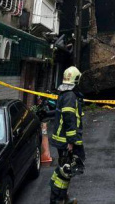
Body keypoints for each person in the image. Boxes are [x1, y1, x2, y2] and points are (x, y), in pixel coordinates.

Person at [48, 66, 86, 204]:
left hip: (63, 140)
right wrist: (71, 142)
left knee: (65, 170)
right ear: (76, 79)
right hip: (66, 141)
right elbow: (69, 119)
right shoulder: (70, 96)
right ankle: (57, 200)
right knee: (65, 171)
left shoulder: (64, 94)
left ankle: (63, 198)